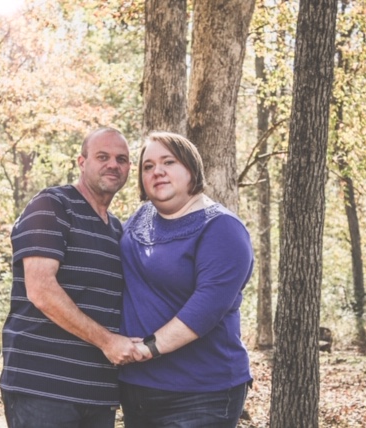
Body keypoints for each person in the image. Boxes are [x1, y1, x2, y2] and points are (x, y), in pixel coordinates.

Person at [0, 127, 145, 428]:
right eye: (102, 157)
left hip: (98, 392)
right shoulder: (52, 205)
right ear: (82, 162)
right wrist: (108, 341)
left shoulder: (117, 230)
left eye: (121, 159)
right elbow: (40, 290)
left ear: (129, 168)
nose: (113, 165)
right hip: (43, 388)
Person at [118, 131, 254, 428]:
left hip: (201, 392)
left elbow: (206, 307)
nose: (158, 171)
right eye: (148, 166)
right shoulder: (138, 220)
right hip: (137, 387)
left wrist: (147, 348)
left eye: (169, 162)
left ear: (192, 169)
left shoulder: (222, 229)